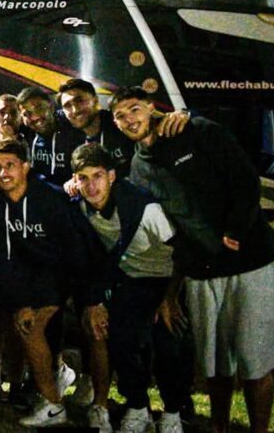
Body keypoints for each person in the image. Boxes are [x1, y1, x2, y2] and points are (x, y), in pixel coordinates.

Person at [110, 87, 274, 433]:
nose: (129, 120)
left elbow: (245, 180)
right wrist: (170, 292)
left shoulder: (196, 131)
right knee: (215, 365)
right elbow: (168, 232)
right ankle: (218, 428)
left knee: (256, 363)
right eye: (120, 116)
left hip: (249, 263)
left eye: (134, 109)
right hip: (200, 272)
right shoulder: (138, 167)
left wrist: (236, 230)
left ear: (151, 107)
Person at [70, 142, 192, 433]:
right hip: (128, 279)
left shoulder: (145, 208)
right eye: (83, 178)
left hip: (166, 279)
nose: (91, 186)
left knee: (167, 342)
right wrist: (95, 300)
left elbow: (183, 251)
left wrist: (170, 298)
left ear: (112, 176)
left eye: (97, 176)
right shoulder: (80, 209)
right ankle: (137, 406)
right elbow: (88, 258)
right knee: (121, 339)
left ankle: (173, 412)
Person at [0, 138, 89, 428]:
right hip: (26, 282)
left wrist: (69, 294)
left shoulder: (52, 199)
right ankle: (54, 384)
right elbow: (1, 262)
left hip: (60, 277)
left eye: (10, 165)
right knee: (24, 323)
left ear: (25, 167)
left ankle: (54, 405)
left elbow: (73, 251)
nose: (3, 172)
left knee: (31, 329)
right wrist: (22, 302)